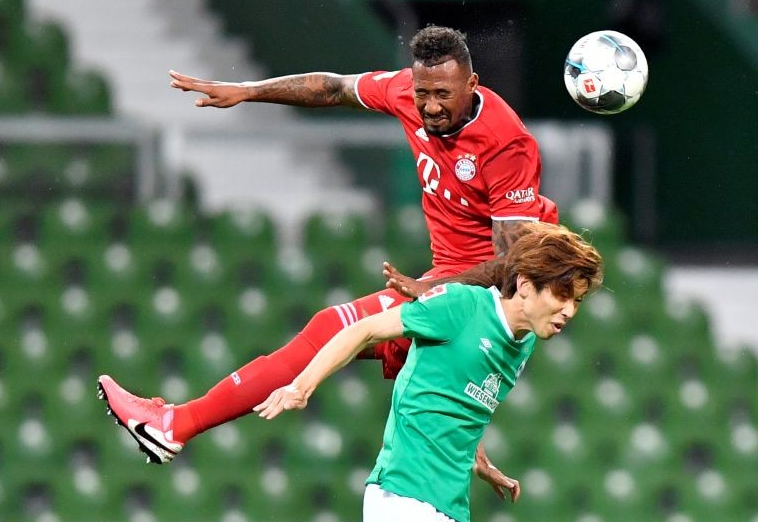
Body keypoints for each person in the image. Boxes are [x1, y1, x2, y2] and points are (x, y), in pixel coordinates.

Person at [97, 25, 555, 490]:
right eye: (423, 94)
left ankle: (175, 425)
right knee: (354, 346)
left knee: (331, 332)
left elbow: (516, 266)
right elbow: (333, 87)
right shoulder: (404, 90)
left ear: (472, 86)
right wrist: (247, 92)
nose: (431, 106)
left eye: (443, 95)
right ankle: (176, 424)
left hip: (479, 295)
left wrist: (438, 292)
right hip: (443, 280)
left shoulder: (505, 144)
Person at [254, 223, 604, 522]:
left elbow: (458, 395)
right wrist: (302, 385)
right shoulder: (461, 306)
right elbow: (363, 330)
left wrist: (478, 459)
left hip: (450, 505)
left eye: (578, 301)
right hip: (404, 495)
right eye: (562, 295)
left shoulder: (524, 342)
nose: (570, 310)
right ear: (526, 284)